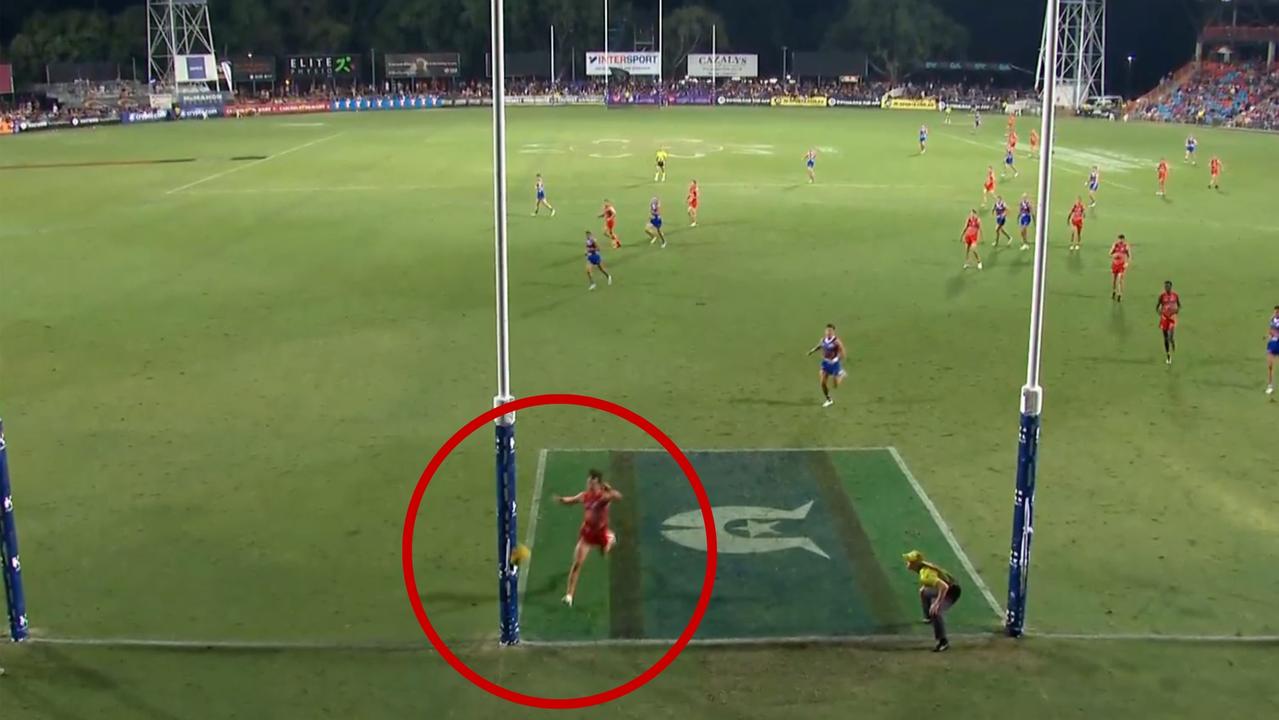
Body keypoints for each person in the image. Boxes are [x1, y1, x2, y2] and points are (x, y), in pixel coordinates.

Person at [556, 469, 622, 607]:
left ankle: (610, 539)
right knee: (577, 564)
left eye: (592, 483)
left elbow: (618, 497)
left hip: (601, 533)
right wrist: (562, 500)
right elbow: (572, 500)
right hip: (587, 534)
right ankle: (569, 596)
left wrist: (610, 491)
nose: (589, 485)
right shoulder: (585, 496)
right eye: (588, 482)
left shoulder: (603, 497)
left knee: (604, 553)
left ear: (598, 484)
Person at [903, 550, 962, 652]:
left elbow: (944, 587)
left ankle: (943, 642)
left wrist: (937, 603)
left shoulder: (926, 575)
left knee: (936, 611)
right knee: (923, 591)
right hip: (948, 586)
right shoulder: (923, 568)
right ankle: (928, 617)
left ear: (915, 564)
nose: (907, 563)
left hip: (951, 591)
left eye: (909, 561)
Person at [806, 323, 847, 408]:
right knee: (822, 383)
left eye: (830, 331)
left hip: (834, 364)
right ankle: (829, 399)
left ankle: (841, 374)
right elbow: (819, 346)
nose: (828, 332)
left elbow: (843, 353)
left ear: (833, 331)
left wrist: (836, 359)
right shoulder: (823, 339)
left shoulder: (836, 341)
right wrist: (812, 351)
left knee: (835, 385)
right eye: (827, 330)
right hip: (825, 363)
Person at [1157, 280, 1181, 365]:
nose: (1166, 288)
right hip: (1164, 318)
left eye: (1168, 286)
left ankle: (1172, 340)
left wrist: (1176, 311)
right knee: (1165, 337)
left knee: (1170, 336)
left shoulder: (1175, 296)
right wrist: (1159, 312)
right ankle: (1168, 355)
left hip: (1172, 318)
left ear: (1171, 287)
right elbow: (1157, 306)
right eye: (1165, 286)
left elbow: (1179, 305)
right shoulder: (1162, 296)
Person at [1110, 234, 1131, 301]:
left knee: (1120, 279)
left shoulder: (1126, 246)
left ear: (1123, 239)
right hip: (1115, 265)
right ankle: (1114, 291)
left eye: (1122, 239)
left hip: (1121, 265)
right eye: (1119, 239)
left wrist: (1127, 263)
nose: (1120, 240)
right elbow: (1110, 253)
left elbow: (1129, 256)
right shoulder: (1115, 245)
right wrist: (1114, 255)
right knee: (1114, 280)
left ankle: (1120, 294)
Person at [1266, 306, 1279, 395]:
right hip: (1272, 344)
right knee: (1270, 365)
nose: (1276, 313)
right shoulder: (1272, 320)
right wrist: (1268, 336)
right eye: (1275, 312)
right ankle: (1270, 386)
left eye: (1277, 312)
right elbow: (1271, 331)